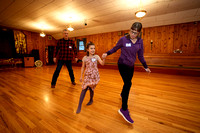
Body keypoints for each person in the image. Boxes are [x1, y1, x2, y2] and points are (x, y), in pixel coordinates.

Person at [102, 22, 151, 124]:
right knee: (128, 83)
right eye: (132, 32)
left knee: (127, 83)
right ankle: (123, 109)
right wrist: (107, 53)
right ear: (130, 30)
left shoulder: (140, 42)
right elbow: (115, 48)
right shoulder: (123, 39)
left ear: (139, 33)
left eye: (135, 33)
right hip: (122, 64)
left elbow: (140, 56)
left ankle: (122, 93)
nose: (133, 34)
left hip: (131, 66)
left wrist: (145, 66)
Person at [76, 42, 105, 114]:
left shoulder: (97, 57)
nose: (93, 50)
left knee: (91, 89)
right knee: (84, 88)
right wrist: (81, 76)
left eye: (94, 48)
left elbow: (102, 63)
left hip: (94, 76)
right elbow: (83, 67)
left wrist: (104, 58)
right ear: (87, 49)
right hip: (87, 75)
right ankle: (79, 105)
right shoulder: (85, 58)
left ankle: (91, 99)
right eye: (91, 48)